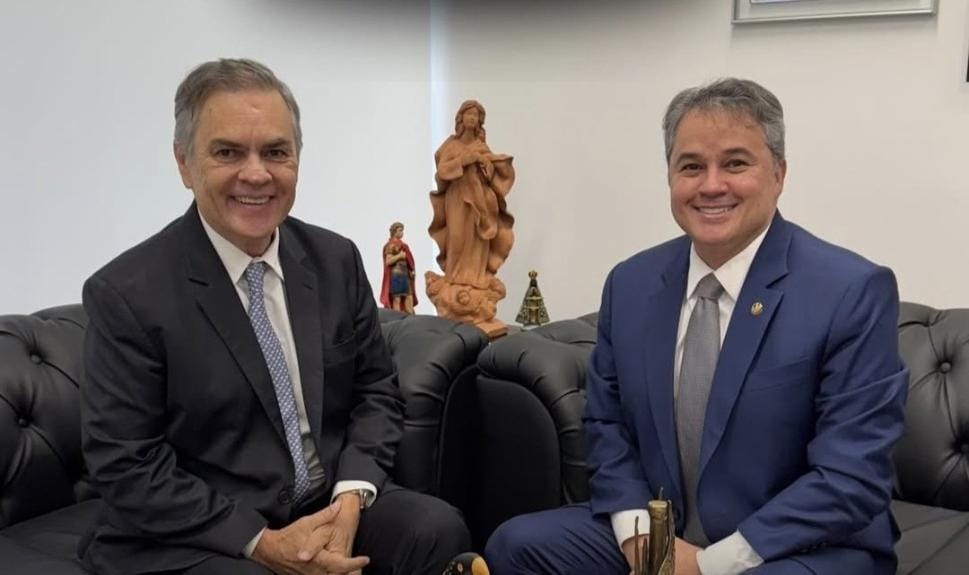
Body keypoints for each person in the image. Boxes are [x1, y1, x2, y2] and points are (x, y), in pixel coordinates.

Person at [485, 78, 908, 574]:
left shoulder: (851, 290)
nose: (711, 185)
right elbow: (607, 426)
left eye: (735, 163)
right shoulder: (630, 284)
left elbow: (850, 476)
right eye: (691, 167)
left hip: (801, 546)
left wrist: (708, 565)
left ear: (779, 173)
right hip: (666, 531)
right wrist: (643, 540)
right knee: (517, 545)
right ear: (670, 177)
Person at [79, 58, 469, 575]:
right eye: (227, 152)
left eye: (276, 152)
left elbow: (375, 391)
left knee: (435, 529)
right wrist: (261, 541)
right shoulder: (126, 294)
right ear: (184, 163)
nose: (257, 173)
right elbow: (127, 463)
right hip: (199, 528)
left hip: (326, 499)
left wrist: (351, 497)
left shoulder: (335, 259)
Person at [428, 100, 515, 290]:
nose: (472, 118)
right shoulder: (452, 144)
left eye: (475, 115)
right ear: (461, 118)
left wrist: (485, 165)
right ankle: (454, 278)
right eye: (469, 114)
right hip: (457, 196)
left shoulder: (481, 146)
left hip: (479, 198)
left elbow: (491, 173)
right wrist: (465, 159)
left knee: (476, 240)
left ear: (479, 121)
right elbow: (442, 170)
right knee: (457, 236)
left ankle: (476, 280)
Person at [379, 222, 417, 314]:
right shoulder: (390, 245)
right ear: (394, 232)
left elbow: (409, 260)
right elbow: (388, 261)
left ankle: (411, 316)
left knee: (409, 296)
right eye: (400, 230)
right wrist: (399, 256)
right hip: (396, 276)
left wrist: (411, 270)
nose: (402, 233)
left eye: (402, 230)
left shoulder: (404, 246)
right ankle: (397, 317)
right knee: (397, 298)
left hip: (405, 275)